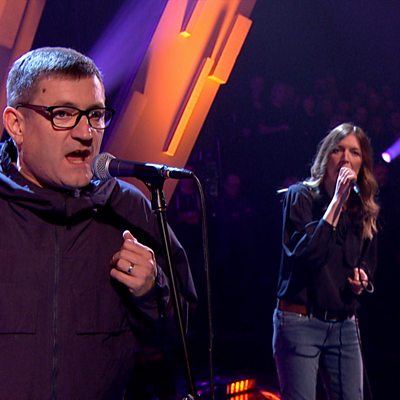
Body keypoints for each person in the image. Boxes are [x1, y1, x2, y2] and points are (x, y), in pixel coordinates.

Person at [0, 47, 196, 400]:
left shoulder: (128, 209)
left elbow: (181, 334)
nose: (86, 133)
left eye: (95, 114)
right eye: (62, 114)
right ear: (16, 125)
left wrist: (152, 290)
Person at [272, 123, 380, 400]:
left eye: (354, 152)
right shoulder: (300, 196)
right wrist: (336, 202)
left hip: (344, 326)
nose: (345, 158)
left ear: (362, 163)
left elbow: (367, 259)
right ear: (325, 156)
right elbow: (307, 257)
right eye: (338, 150)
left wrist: (362, 276)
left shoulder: (362, 209)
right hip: (299, 321)